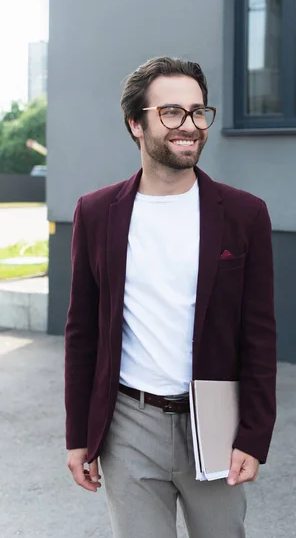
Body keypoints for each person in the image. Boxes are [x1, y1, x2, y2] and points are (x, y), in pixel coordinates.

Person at [65, 56, 277, 538]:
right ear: (135, 125)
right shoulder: (96, 213)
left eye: (199, 112)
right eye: (172, 113)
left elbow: (259, 336)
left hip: (215, 424)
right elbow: (82, 333)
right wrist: (79, 435)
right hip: (128, 424)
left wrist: (254, 435)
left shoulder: (245, 214)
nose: (190, 126)